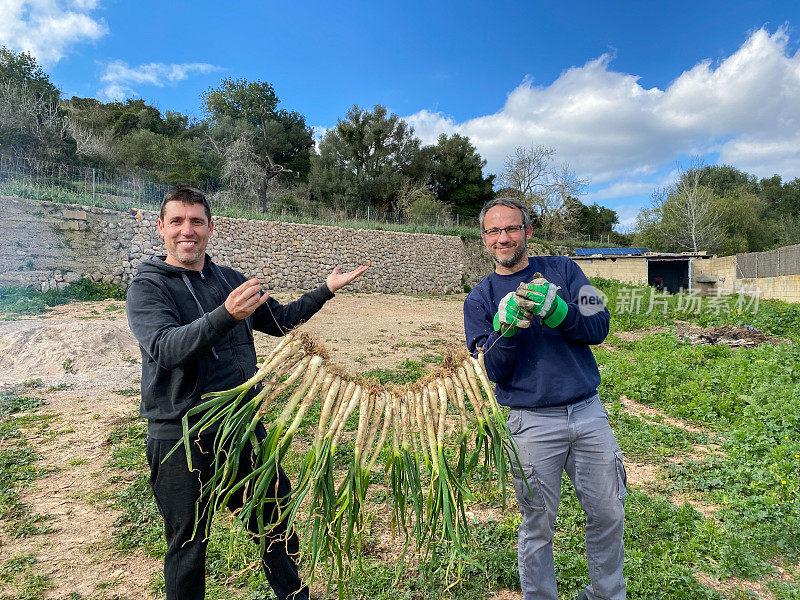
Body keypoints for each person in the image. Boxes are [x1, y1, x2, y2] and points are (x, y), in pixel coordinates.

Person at [126, 185, 367, 600]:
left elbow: (279, 320)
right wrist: (225, 315)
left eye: (197, 222)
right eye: (178, 222)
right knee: (188, 545)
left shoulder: (229, 281)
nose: (188, 231)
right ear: (161, 227)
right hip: (180, 436)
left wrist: (324, 291)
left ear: (211, 228)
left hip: (241, 429)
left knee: (274, 523)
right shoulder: (148, 288)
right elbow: (166, 348)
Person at [463, 197, 626, 600]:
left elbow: (599, 324)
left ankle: (606, 595)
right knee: (538, 525)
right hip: (529, 423)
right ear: (484, 238)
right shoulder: (478, 301)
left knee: (608, 512)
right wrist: (506, 329)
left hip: (587, 413)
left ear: (528, 232)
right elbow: (495, 371)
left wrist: (560, 311)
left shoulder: (565, 270)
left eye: (512, 228)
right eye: (494, 231)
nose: (504, 238)